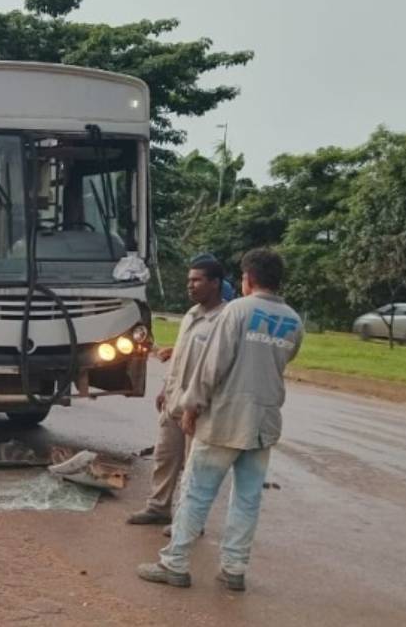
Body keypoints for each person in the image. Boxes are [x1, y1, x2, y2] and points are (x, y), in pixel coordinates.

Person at [137, 248, 303, 592]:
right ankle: (234, 569)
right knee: (247, 498)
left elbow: (212, 366)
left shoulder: (236, 311)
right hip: (264, 422)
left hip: (225, 418)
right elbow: (281, 361)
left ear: (248, 279)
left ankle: (175, 563)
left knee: (196, 491)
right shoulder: (293, 320)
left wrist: (191, 406)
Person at [127, 257, 226, 528]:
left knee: (194, 467)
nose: (190, 286)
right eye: (189, 280)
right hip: (174, 400)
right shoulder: (192, 314)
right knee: (164, 457)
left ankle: (189, 521)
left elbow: (213, 370)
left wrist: (195, 406)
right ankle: (158, 508)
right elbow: (182, 357)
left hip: (200, 407)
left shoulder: (224, 321)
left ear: (215, 283)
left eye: (197, 280)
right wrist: (165, 388)